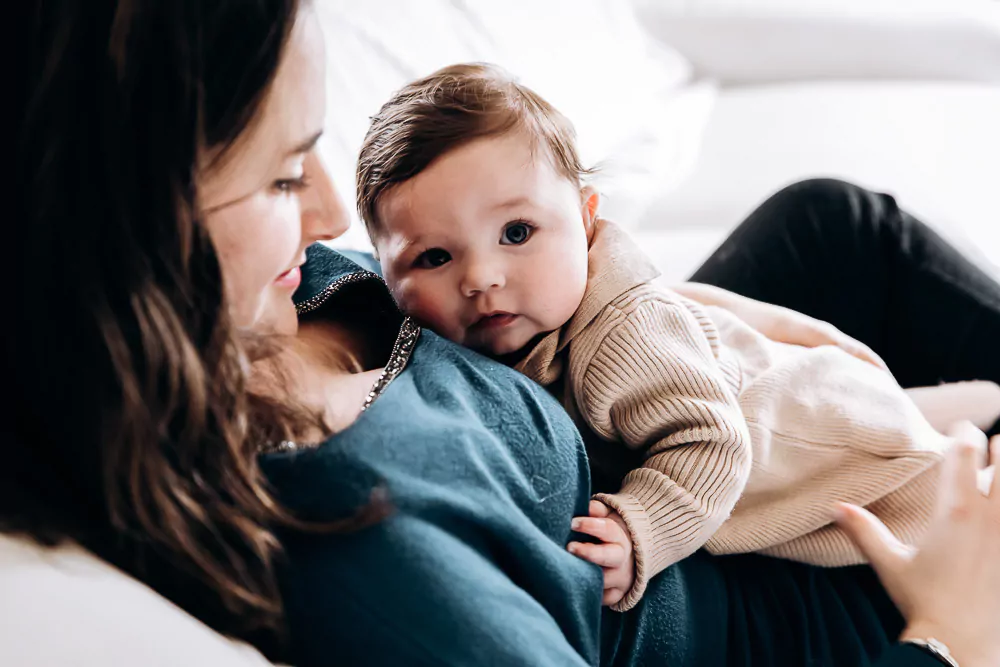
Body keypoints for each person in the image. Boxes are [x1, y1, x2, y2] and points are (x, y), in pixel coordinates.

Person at [9, 2, 1000, 667]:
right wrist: (953, 628)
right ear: (119, 231)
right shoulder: (367, 558)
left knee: (832, 224)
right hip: (769, 603)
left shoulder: (249, 300)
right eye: (279, 176)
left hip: (608, 434)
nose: (322, 214)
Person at [355, 62, 999, 610]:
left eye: (517, 233)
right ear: (385, 273)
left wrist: (640, 532)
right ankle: (957, 406)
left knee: (909, 464)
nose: (482, 278)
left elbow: (711, 443)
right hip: (782, 410)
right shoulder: (510, 323)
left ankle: (957, 422)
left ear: (586, 219)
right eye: (434, 259)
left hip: (872, 487)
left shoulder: (620, 341)